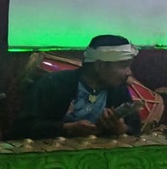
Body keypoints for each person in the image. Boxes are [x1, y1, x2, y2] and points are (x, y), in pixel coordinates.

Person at [11, 34, 141, 139]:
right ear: (100, 65)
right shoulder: (53, 84)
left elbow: (135, 127)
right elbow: (22, 127)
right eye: (124, 66)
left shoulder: (118, 89)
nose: (129, 73)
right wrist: (66, 128)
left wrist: (121, 129)